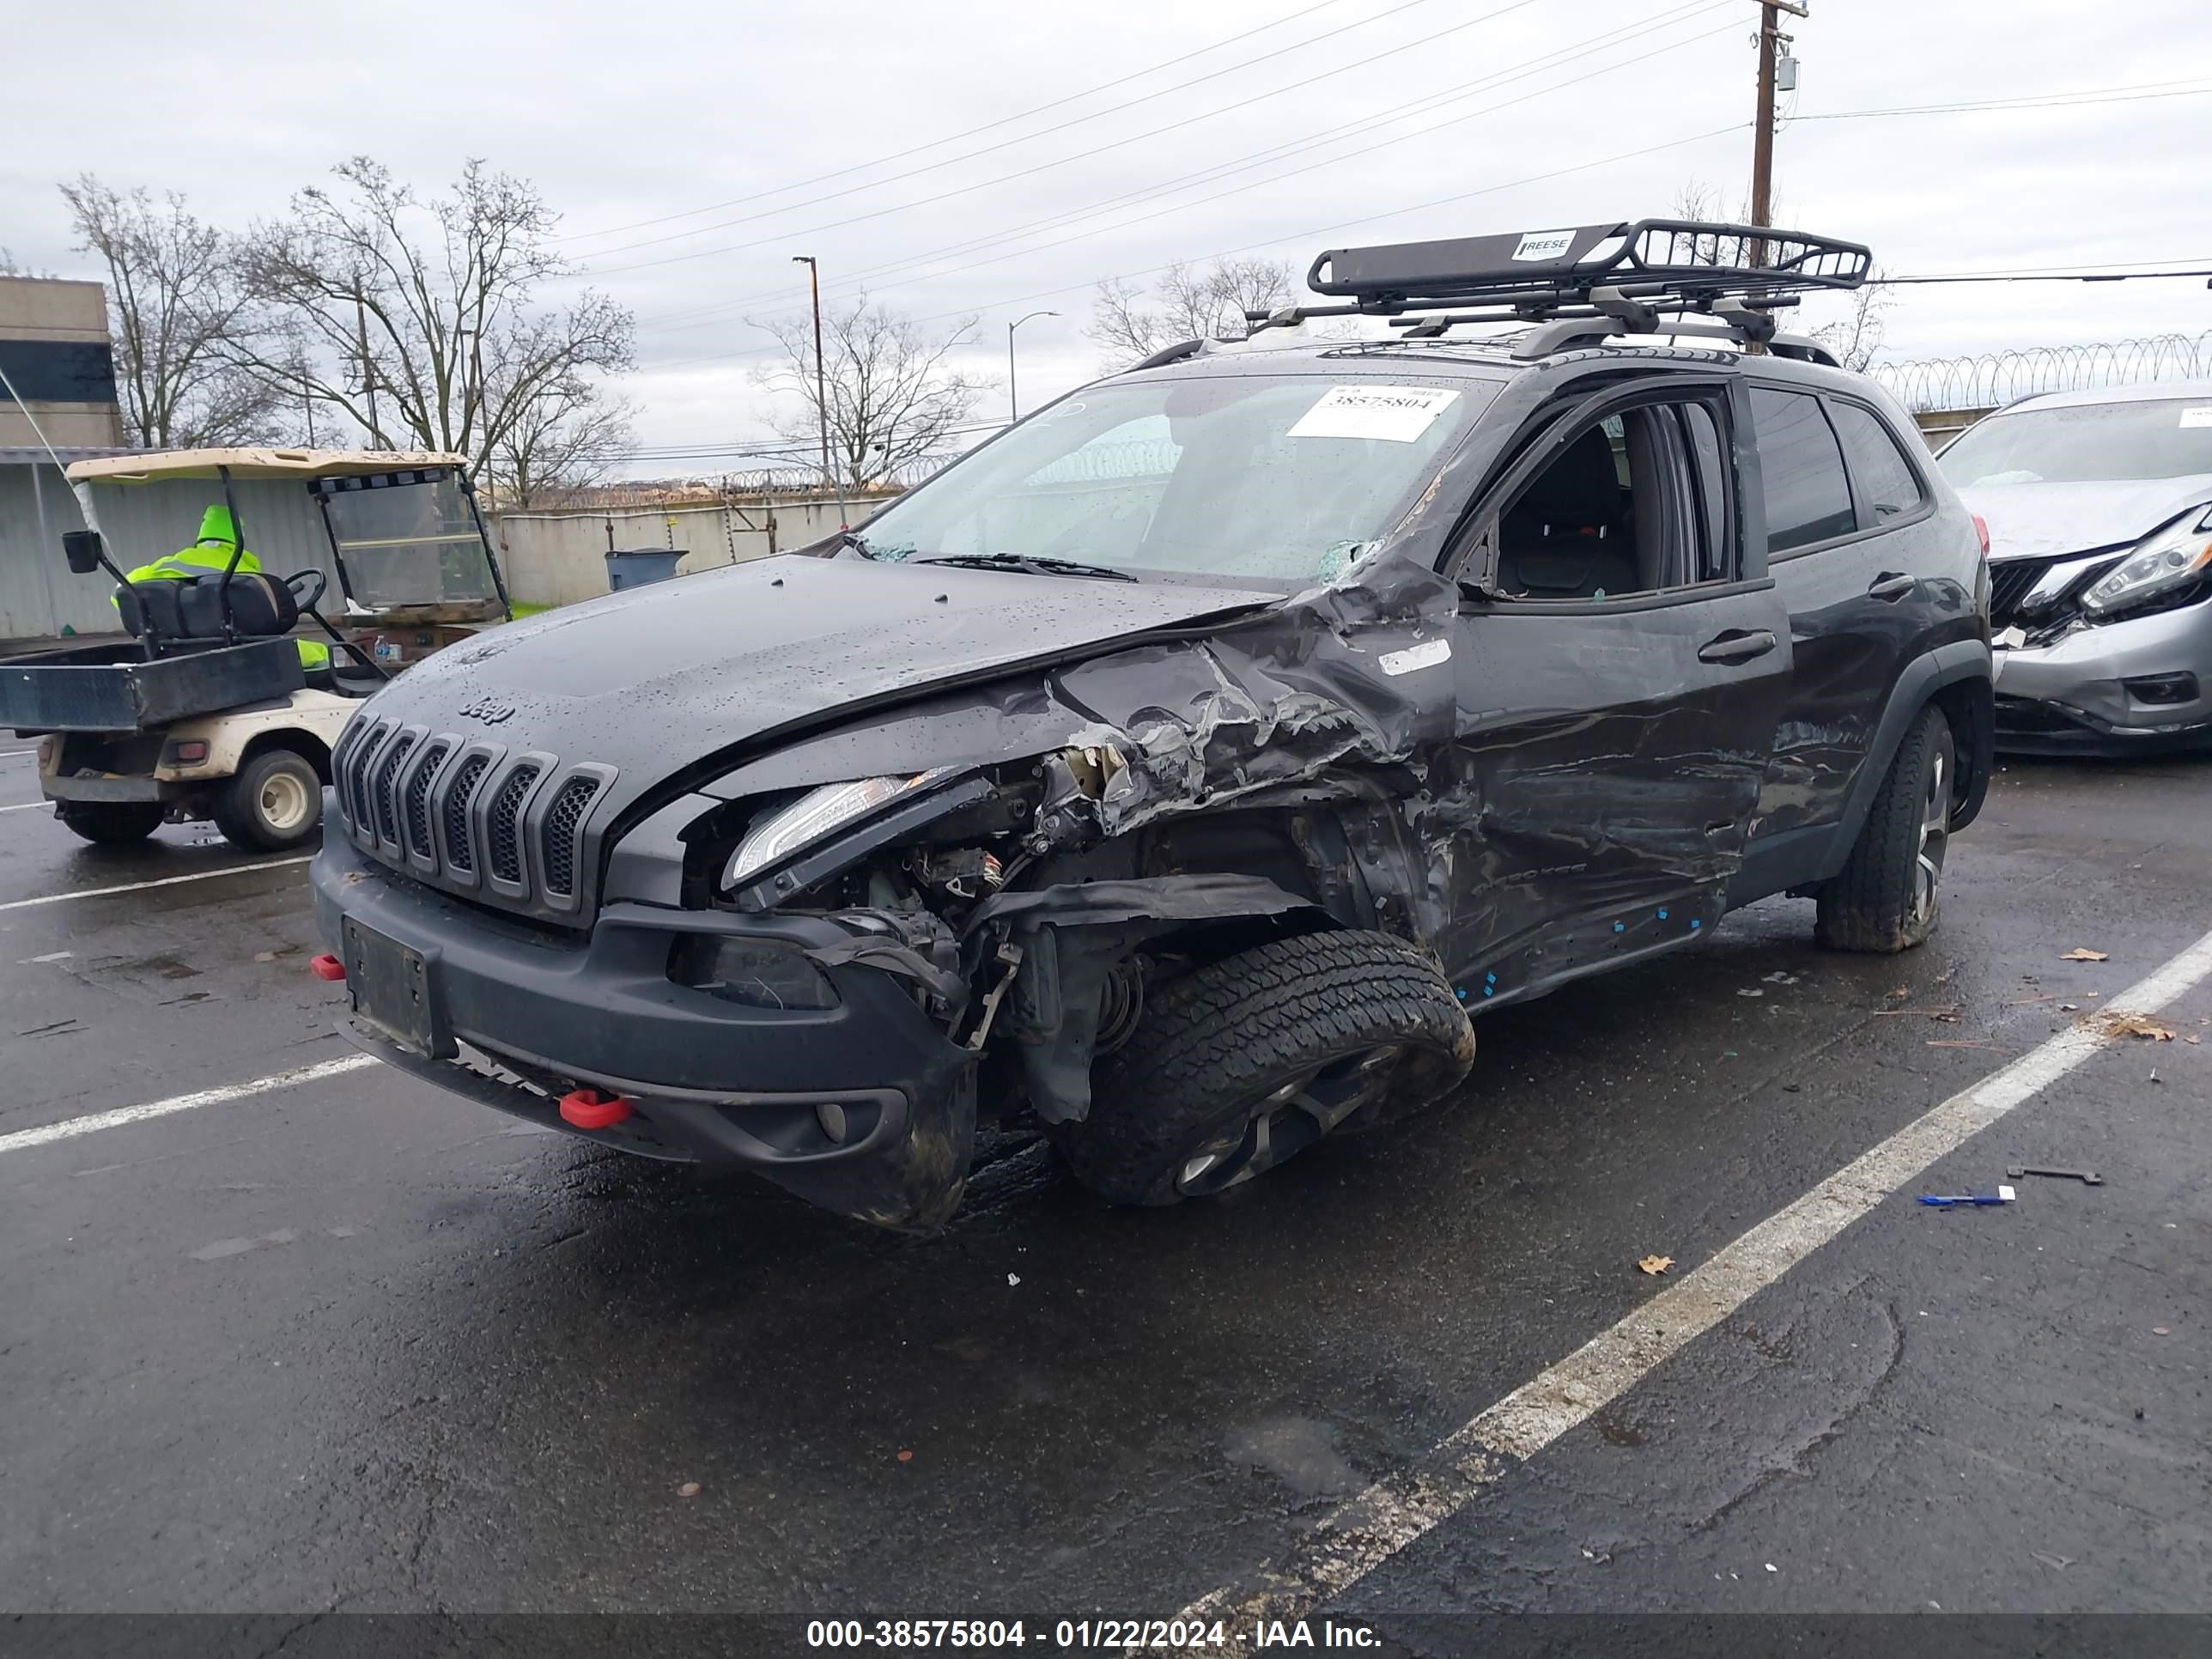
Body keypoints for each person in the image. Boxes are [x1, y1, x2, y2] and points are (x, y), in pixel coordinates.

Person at [118, 504, 331, 671]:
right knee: (320, 652)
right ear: (238, 535)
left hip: (179, 652)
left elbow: (121, 594)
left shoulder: (166, 564)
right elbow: (261, 619)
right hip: (240, 651)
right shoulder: (242, 568)